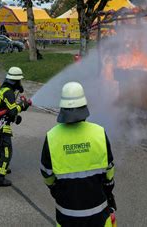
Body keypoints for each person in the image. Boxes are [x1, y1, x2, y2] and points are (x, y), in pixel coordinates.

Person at [40, 82, 116, 226]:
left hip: (66, 214)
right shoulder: (99, 133)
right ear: (84, 107)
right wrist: (108, 189)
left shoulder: (52, 137)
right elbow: (109, 170)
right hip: (98, 214)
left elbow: (47, 174)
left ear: (62, 109)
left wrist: (57, 190)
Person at [0, 67, 30, 186]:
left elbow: (5, 109)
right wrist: (23, 106)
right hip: (2, 125)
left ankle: (0, 167)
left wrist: (15, 117)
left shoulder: (4, 89)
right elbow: (12, 111)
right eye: (19, 81)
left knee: (2, 149)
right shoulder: (8, 92)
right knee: (7, 151)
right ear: (16, 81)